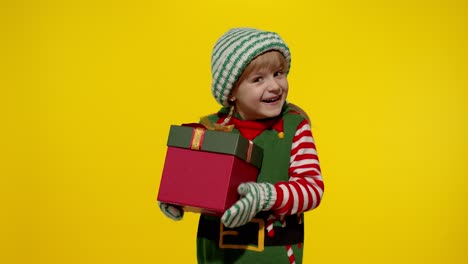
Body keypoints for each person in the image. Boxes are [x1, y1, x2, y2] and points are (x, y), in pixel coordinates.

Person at [159, 27, 324, 264]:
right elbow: (196, 184)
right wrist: (178, 196)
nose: (275, 86)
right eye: (258, 79)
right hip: (217, 254)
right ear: (232, 91)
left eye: (279, 73)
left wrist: (267, 195)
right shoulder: (211, 128)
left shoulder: (294, 127)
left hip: (273, 254)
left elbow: (312, 189)